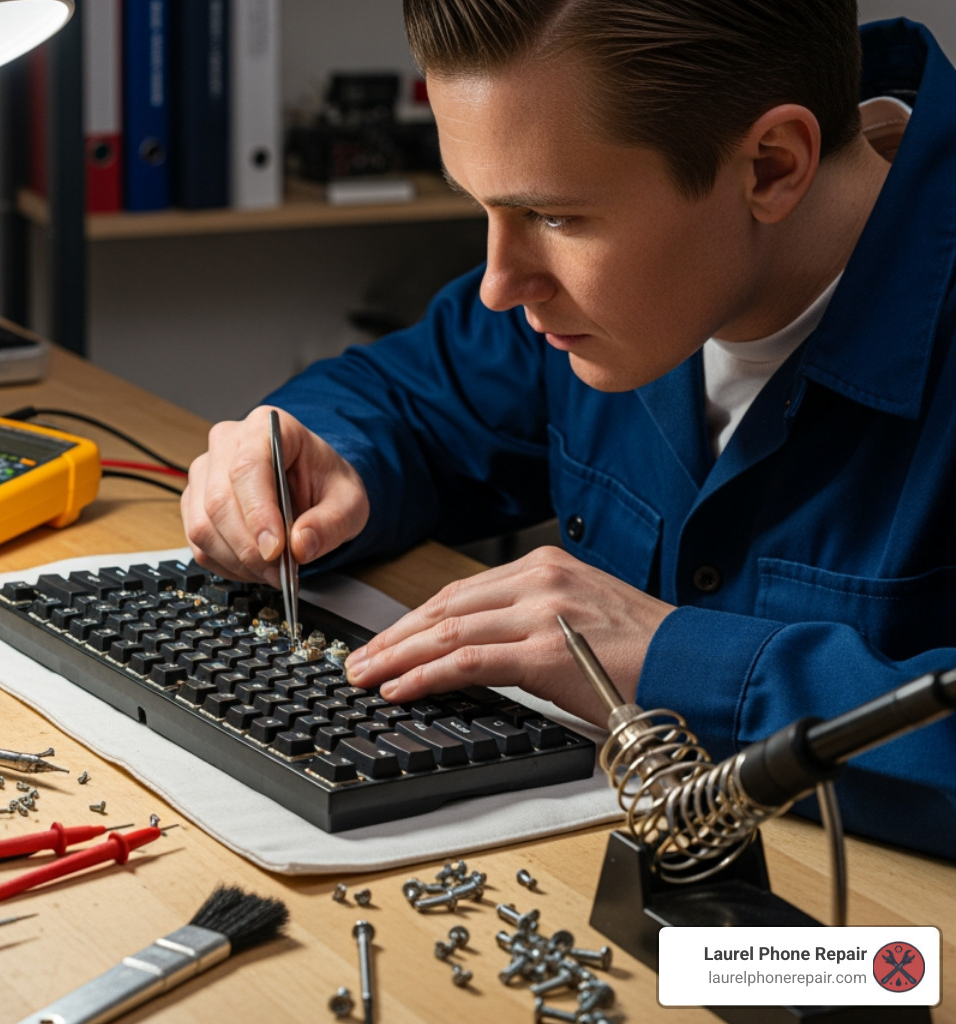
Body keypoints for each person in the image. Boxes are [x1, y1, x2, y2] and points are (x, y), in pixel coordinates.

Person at [180, 0, 956, 860]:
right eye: (483, 208)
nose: (499, 285)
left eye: (554, 218)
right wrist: (326, 456)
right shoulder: (616, 280)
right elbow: (406, 393)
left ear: (771, 167)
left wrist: (670, 660)